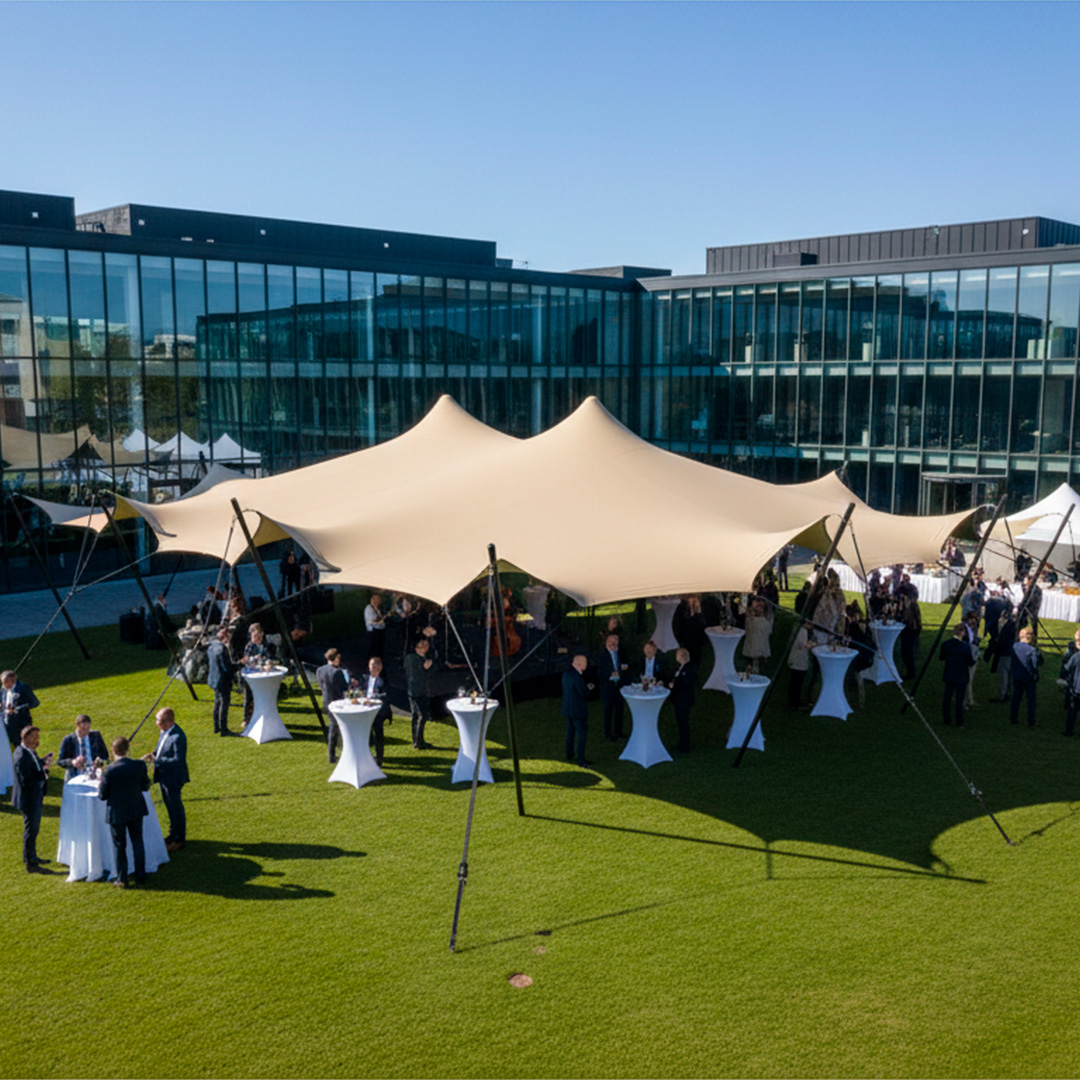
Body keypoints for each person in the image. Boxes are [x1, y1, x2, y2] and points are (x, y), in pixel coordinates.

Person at [98, 736, 150, 888]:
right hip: (135, 808)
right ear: (127, 750)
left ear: (113, 750)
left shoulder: (109, 770)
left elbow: (102, 795)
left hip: (117, 812)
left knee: (119, 846)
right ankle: (141, 874)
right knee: (137, 841)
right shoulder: (139, 765)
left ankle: (122, 878)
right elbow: (145, 786)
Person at [143, 707, 188, 852]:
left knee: (176, 808)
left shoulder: (178, 737)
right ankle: (172, 833)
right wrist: (151, 755)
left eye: (158, 720)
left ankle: (179, 838)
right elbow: (160, 751)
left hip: (174, 778)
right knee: (169, 806)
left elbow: (178, 760)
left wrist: (158, 761)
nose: (156, 723)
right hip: (164, 776)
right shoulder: (164, 732)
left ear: (166, 722)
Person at [12, 725, 52, 873]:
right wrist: (45, 772)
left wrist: (43, 761)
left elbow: (33, 767)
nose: (38, 741)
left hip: (33, 797)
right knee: (31, 831)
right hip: (29, 800)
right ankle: (30, 863)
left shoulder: (27, 752)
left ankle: (32, 856)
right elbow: (28, 780)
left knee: (33, 831)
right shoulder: (21, 756)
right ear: (27, 738)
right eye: (35, 738)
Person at [316, 647, 351, 764]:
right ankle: (332, 755)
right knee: (334, 729)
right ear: (336, 658)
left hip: (326, 701)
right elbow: (344, 688)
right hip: (337, 703)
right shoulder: (337, 672)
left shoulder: (320, 670)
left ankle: (334, 754)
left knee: (334, 727)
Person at [940, 625, 976, 727]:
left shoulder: (946, 644)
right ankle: (959, 721)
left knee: (947, 697)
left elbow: (941, 657)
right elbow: (969, 661)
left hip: (949, 673)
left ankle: (946, 718)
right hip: (961, 675)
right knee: (959, 700)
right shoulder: (965, 646)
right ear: (963, 633)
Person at [359, 656, 393, 767]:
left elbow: (385, 697)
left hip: (378, 712)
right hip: (365, 711)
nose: (373, 669)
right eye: (371, 666)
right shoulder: (364, 678)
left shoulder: (383, 681)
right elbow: (359, 691)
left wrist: (372, 701)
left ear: (380, 667)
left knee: (379, 735)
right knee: (365, 734)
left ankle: (379, 759)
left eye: (375, 666)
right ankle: (366, 755)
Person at [206, 628, 239, 737]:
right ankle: (224, 729)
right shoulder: (222, 649)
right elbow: (227, 668)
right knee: (224, 704)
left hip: (213, 679)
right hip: (222, 681)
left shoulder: (211, 646)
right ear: (224, 637)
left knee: (217, 702)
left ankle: (217, 726)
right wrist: (239, 665)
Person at [562, 654, 592, 767]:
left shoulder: (566, 674)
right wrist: (588, 689)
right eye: (585, 663)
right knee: (582, 734)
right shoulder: (578, 677)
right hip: (578, 710)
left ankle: (569, 753)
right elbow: (583, 694)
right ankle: (581, 759)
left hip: (568, 708)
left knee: (570, 732)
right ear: (580, 664)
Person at [403, 638, 434, 750]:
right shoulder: (413, 659)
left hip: (416, 690)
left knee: (416, 716)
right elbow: (414, 675)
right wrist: (424, 668)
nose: (425, 647)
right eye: (423, 645)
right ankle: (419, 741)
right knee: (422, 716)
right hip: (417, 691)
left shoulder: (416, 658)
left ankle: (417, 740)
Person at [597, 633, 628, 742]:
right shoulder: (602, 655)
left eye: (615, 642)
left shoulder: (621, 652)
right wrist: (610, 674)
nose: (613, 644)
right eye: (611, 642)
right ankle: (608, 733)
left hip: (619, 686)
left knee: (620, 709)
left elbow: (625, 665)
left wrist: (624, 669)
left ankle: (619, 732)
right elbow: (599, 671)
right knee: (608, 710)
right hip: (607, 687)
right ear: (606, 642)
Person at [57, 714, 109, 779]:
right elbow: (60, 761)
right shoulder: (68, 740)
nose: (86, 732)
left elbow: (105, 756)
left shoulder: (96, 736)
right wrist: (73, 762)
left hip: (94, 775)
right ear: (77, 725)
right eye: (84, 729)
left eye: (88, 729)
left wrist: (98, 761)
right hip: (75, 776)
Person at [1009, 627, 1043, 728]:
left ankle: (1013, 718)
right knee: (1031, 701)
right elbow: (1035, 664)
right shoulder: (1032, 650)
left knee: (1016, 698)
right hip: (1029, 678)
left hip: (1017, 675)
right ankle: (1031, 721)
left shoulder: (1014, 646)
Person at [241, 623, 272, 725]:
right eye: (255, 636)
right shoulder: (249, 646)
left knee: (261, 697)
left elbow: (267, 657)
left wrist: (268, 663)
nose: (257, 638)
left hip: (261, 674)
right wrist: (255, 658)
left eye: (259, 636)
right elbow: (247, 660)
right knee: (248, 697)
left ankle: (262, 717)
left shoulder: (264, 645)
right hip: (250, 675)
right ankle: (246, 718)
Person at [1, 670, 39, 747]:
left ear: (14, 679)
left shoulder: (23, 688)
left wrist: (16, 709)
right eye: (3, 682)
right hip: (8, 723)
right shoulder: (3, 689)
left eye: (6, 682)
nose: (4, 685)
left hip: (21, 722)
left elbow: (35, 703)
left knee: (24, 745)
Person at [668, 647, 695, 753]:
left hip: (683, 701)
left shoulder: (689, 669)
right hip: (680, 700)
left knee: (683, 723)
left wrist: (673, 686)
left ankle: (684, 746)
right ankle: (682, 744)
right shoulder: (682, 667)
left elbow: (686, 684)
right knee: (681, 723)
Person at [742, 598, 773, 674]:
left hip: (758, 648)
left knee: (757, 667)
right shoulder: (751, 619)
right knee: (753, 667)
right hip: (753, 647)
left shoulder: (764, 620)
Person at [788, 621, 813, 709]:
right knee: (797, 680)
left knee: (795, 680)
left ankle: (793, 700)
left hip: (797, 658)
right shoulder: (801, 630)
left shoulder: (799, 628)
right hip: (798, 658)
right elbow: (802, 644)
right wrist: (812, 644)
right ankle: (794, 701)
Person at [1060, 629, 1080, 737]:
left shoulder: (1075, 657)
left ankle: (1068, 731)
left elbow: (1067, 668)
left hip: (1076, 688)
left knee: (1072, 711)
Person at [899, 593, 922, 680]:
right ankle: (909, 671)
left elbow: (916, 617)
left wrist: (917, 628)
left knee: (908, 652)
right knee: (905, 652)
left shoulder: (912, 604)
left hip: (910, 629)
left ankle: (911, 672)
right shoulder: (907, 604)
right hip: (908, 629)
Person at [364, 592, 388, 661]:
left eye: (378, 599)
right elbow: (373, 622)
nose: (375, 601)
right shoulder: (369, 609)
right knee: (374, 650)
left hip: (380, 632)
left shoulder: (377, 608)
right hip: (374, 633)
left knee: (379, 650)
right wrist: (382, 620)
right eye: (374, 599)